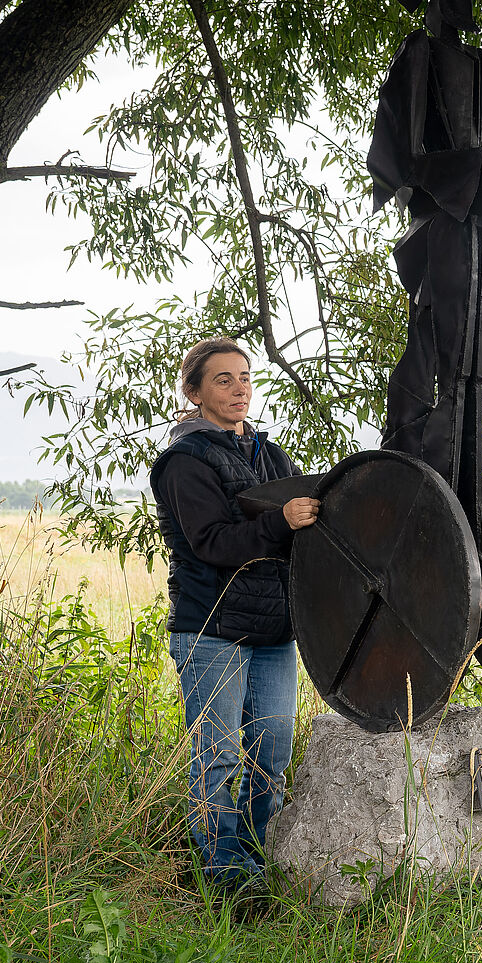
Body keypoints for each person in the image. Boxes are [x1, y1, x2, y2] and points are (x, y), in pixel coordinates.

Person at [149, 337, 321, 890]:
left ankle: (254, 859)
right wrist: (282, 523)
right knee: (217, 761)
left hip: (273, 631)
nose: (239, 387)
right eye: (223, 379)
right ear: (195, 393)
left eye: (245, 376)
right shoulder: (184, 461)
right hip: (211, 629)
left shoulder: (269, 456)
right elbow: (211, 542)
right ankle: (225, 877)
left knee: (270, 755)